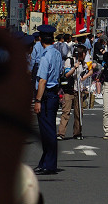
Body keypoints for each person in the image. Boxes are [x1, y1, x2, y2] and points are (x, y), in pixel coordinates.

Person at [33, 24, 63, 175]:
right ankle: (45, 161)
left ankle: (49, 164)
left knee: (48, 131)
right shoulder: (57, 54)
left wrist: (37, 100)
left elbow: (42, 80)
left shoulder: (45, 56)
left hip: (46, 96)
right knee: (47, 130)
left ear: (40, 40)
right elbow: (61, 72)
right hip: (54, 94)